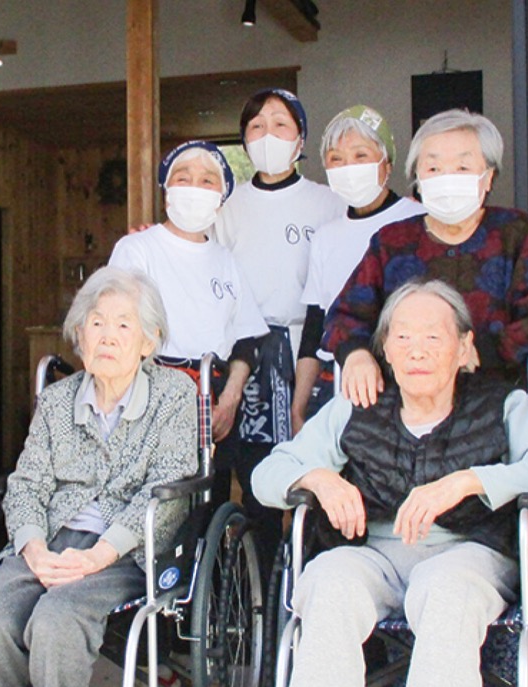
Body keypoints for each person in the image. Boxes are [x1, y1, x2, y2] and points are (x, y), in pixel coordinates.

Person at [253, 279, 528, 687]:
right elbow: (267, 475)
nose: (416, 351)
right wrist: (318, 478)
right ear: (386, 351)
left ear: (464, 349)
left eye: (433, 338)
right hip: (375, 557)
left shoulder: (503, 405)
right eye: (403, 338)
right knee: (327, 581)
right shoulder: (355, 407)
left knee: (446, 589)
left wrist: (468, 482)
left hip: (471, 555)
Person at [0, 266, 198, 687]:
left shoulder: (174, 396)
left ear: (148, 342)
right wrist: (34, 549)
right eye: (97, 323)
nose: (107, 337)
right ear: (79, 336)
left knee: (56, 620)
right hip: (51, 541)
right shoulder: (56, 401)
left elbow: (167, 486)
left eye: (123, 325)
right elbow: (27, 483)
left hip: (127, 549)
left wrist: (98, 556)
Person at [323, 108, 528, 431]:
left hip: (502, 405)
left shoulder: (517, 234)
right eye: (433, 167)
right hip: (407, 416)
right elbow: (345, 316)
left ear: (488, 177)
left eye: (462, 167)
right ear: (417, 178)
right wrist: (355, 353)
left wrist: (477, 351)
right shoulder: (392, 242)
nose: (446, 177)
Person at [209, 89, 346, 571]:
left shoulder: (329, 203)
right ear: (245, 141)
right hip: (248, 355)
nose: (268, 135)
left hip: (315, 348)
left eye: (281, 124)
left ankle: (317, 575)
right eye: (257, 126)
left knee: (320, 470)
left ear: (301, 139)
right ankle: (262, 586)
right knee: (258, 481)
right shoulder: (228, 207)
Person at [108, 140, 268, 511]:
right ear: (166, 189)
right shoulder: (137, 249)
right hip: (151, 395)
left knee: (210, 503)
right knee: (157, 506)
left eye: (207, 180)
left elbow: (246, 341)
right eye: (183, 178)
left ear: (221, 197)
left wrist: (229, 399)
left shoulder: (226, 260)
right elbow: (117, 331)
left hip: (215, 395)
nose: (195, 187)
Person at [293, 105, 426, 432]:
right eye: (336, 159)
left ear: (387, 164)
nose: (348, 167)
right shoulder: (326, 237)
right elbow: (315, 327)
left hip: (401, 382)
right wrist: (299, 404)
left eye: (360, 155)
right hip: (334, 383)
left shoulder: (417, 221)